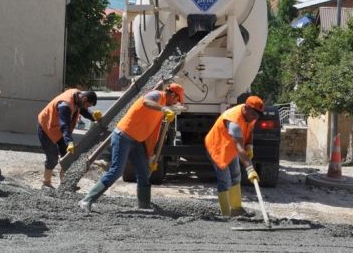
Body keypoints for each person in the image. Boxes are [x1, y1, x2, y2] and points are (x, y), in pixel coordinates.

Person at [78, 82, 185, 212]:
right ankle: (86, 200)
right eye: (177, 100)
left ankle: (143, 205)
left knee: (143, 171)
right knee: (117, 170)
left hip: (137, 141)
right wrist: (163, 109)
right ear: (172, 94)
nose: (176, 103)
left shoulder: (162, 105)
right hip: (123, 135)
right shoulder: (156, 95)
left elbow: (153, 130)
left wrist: (150, 155)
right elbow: (146, 102)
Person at [204, 95, 264, 217]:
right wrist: (250, 169)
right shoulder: (234, 121)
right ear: (246, 108)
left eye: (257, 116)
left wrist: (250, 145)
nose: (255, 118)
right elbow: (239, 148)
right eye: (254, 115)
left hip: (230, 147)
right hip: (218, 148)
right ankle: (226, 214)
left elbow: (250, 130)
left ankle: (236, 209)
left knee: (236, 176)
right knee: (225, 180)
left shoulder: (252, 114)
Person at [37, 89, 102, 188]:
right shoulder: (65, 105)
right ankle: (46, 183)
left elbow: (83, 110)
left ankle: (64, 185)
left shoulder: (78, 97)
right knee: (52, 157)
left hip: (59, 130)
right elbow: (64, 125)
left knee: (68, 158)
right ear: (84, 99)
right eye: (88, 105)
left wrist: (93, 116)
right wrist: (70, 142)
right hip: (47, 127)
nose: (87, 108)